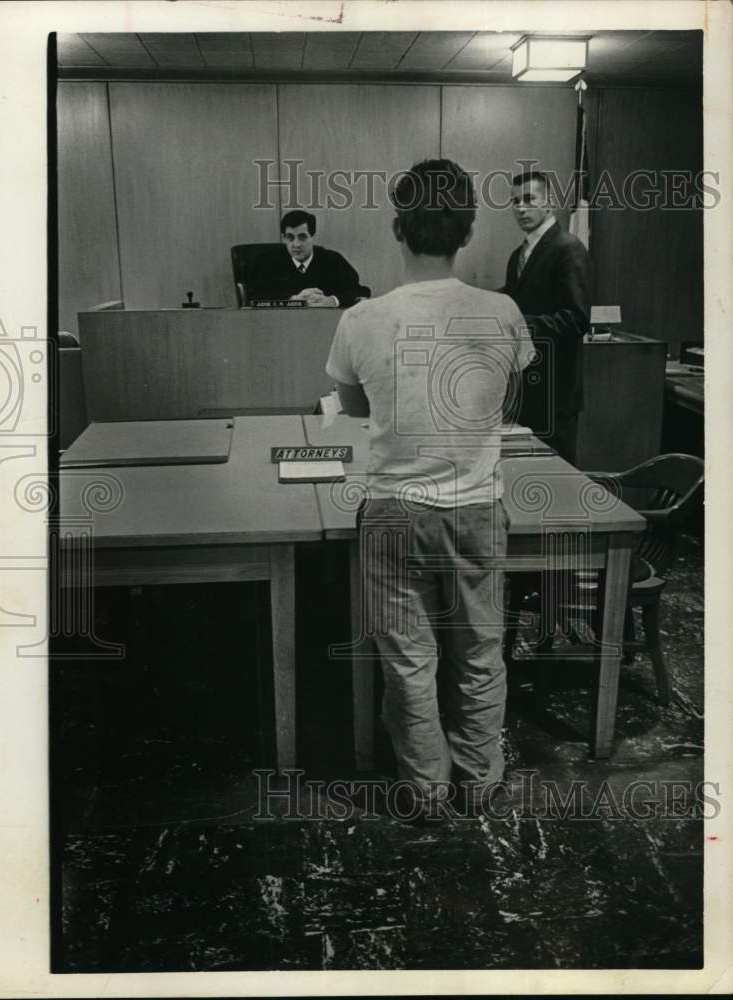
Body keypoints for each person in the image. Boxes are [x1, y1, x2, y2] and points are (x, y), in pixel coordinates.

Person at [325, 159, 533, 820]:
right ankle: (480, 782)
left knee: (409, 662)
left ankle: (425, 789)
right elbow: (510, 389)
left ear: (398, 228)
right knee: (479, 653)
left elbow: (354, 402)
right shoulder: (502, 312)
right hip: (476, 509)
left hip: (392, 512)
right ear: (467, 231)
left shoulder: (362, 319)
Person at [502, 170, 592, 464]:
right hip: (527, 391)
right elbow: (518, 298)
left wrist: (520, 325)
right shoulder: (518, 255)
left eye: (529, 199)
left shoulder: (569, 248)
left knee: (559, 483)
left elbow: (576, 319)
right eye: (515, 201)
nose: (521, 208)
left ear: (549, 202)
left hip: (556, 396)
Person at [248, 209, 369, 308]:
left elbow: (360, 291)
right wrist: (294, 300)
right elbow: (253, 296)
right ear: (284, 238)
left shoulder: (332, 260)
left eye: (302, 237)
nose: (296, 244)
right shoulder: (268, 261)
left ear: (313, 237)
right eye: (290, 237)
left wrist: (331, 301)